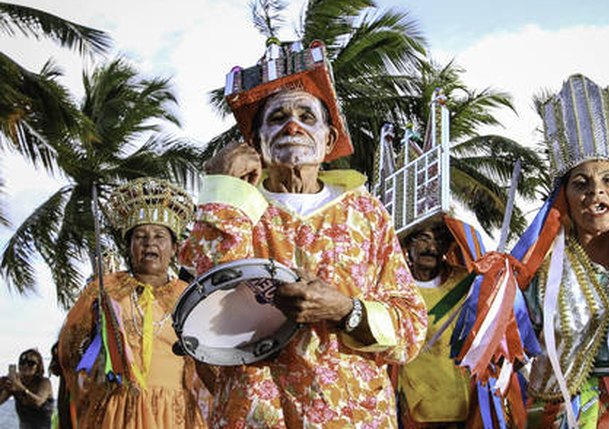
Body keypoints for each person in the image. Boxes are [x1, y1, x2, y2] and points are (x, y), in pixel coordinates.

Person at [180, 39, 427, 428]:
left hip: (351, 415)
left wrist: (346, 310)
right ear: (256, 143)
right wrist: (222, 192)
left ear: (328, 141)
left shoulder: (367, 214)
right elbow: (203, 309)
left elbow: (411, 329)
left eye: (306, 117)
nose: (292, 126)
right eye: (276, 118)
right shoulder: (234, 206)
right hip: (256, 415)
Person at [452, 74, 609, 428]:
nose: (595, 192)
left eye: (608, 180)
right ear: (564, 199)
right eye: (580, 183)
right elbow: (501, 362)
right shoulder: (537, 277)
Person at [57, 178, 205, 429]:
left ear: (174, 249)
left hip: (174, 412)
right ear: (129, 246)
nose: (150, 243)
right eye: (140, 236)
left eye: (159, 236)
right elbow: (71, 348)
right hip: (116, 409)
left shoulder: (189, 296)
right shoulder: (105, 289)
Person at [395, 221, 474, 428]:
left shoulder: (465, 281)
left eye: (439, 241)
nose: (431, 248)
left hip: (462, 404)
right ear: (408, 244)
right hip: (415, 409)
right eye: (423, 239)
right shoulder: (394, 285)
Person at [0, 348, 54, 429]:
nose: (26, 366)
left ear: (38, 367)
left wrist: (20, 388)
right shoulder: (15, 384)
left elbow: (38, 402)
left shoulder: (44, 383)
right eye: (22, 363)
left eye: (31, 363)